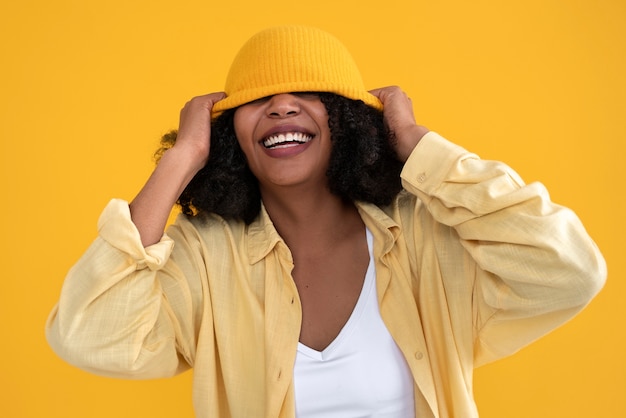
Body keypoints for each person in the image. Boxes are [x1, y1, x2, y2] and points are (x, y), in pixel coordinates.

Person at [46, 25, 606, 418]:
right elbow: (89, 335)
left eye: (309, 94)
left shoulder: (424, 238)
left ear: (346, 122)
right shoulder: (205, 256)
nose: (282, 107)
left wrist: (415, 144)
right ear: (230, 133)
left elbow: (569, 271)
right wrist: (181, 158)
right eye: (258, 97)